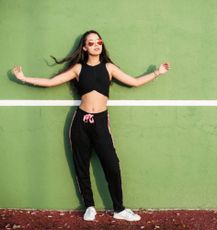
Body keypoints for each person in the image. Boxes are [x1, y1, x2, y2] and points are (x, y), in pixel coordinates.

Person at [12, 30, 170, 222]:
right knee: (81, 166)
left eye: (99, 42)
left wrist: (157, 73)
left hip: (101, 122)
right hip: (81, 122)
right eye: (91, 42)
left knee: (112, 165)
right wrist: (23, 78)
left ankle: (119, 209)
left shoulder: (109, 68)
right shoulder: (78, 69)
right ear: (85, 47)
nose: (96, 45)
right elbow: (51, 82)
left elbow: (134, 82)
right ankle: (89, 206)